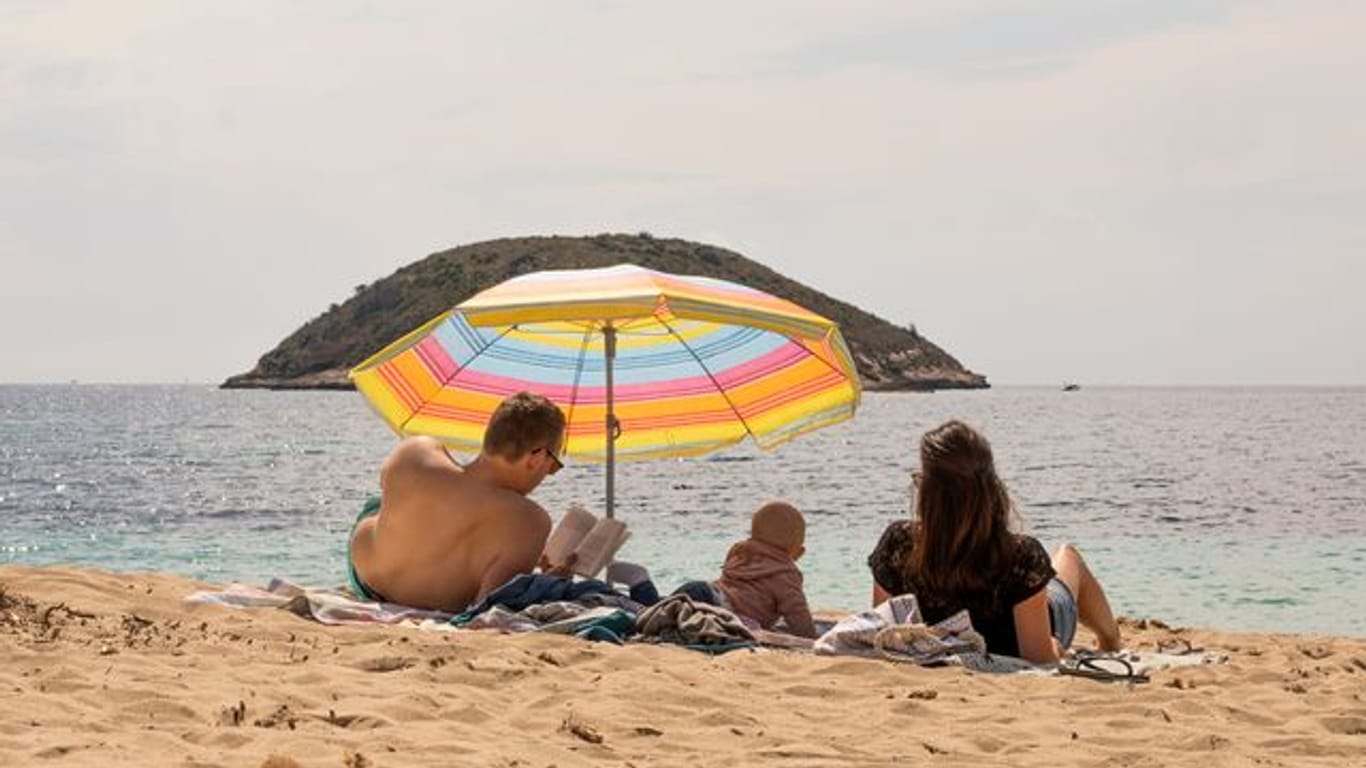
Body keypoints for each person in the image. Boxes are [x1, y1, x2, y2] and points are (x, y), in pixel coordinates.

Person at [866, 420, 1121, 663]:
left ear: (927, 491)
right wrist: (1058, 646)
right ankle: (1111, 640)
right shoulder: (1022, 555)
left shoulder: (898, 544)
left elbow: (885, 632)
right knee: (1068, 557)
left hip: (947, 645)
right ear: (990, 488)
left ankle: (1110, 639)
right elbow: (1039, 657)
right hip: (1026, 635)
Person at [346, 391, 567, 612]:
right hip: (425, 601)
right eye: (553, 466)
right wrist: (544, 584)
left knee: (382, 504)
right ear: (536, 459)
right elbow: (490, 604)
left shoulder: (416, 450)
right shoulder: (531, 519)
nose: (547, 474)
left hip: (366, 576)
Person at [649, 501, 818, 638]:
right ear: (799, 551)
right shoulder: (786, 573)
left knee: (658, 612)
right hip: (717, 608)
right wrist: (811, 636)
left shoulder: (741, 551)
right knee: (662, 614)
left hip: (705, 590)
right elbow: (797, 612)